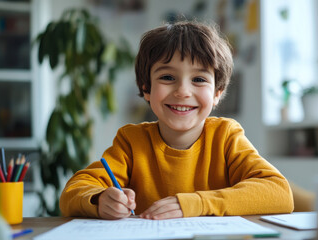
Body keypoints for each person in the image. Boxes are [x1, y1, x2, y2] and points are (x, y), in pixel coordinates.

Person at [60, 20, 294, 220]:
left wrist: (197, 203)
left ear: (217, 93)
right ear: (147, 88)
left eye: (199, 79)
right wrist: (99, 200)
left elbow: (279, 192)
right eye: (168, 77)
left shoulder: (226, 136)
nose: (183, 91)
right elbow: (73, 191)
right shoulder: (131, 141)